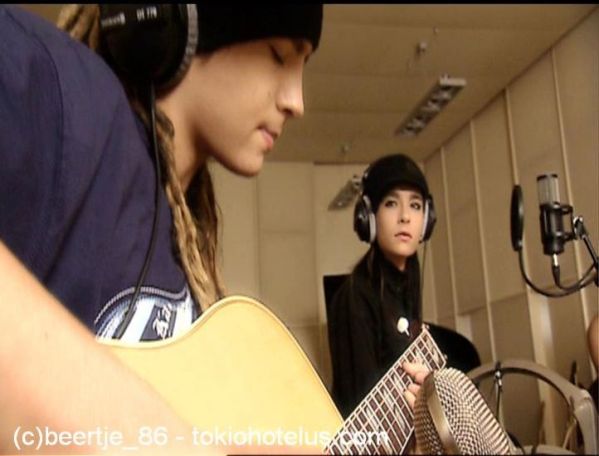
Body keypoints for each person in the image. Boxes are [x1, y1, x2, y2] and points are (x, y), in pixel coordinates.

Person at [0, 3, 322, 454]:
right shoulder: (59, 88)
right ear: (176, 23)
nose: (297, 101)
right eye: (278, 55)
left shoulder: (190, 246)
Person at [327, 153, 436, 419]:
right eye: (391, 203)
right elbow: (361, 411)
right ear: (369, 218)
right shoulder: (354, 298)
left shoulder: (409, 282)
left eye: (415, 205)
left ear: (427, 221)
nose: (405, 216)